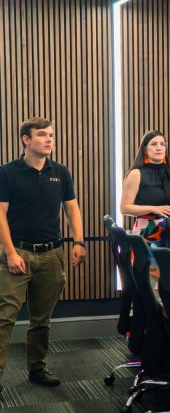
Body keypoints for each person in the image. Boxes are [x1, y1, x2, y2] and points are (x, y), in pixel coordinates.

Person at [0, 117, 87, 391]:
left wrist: (79, 241)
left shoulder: (60, 172)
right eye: (42, 135)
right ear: (26, 139)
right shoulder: (7, 172)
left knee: (41, 320)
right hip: (17, 253)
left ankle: (37, 369)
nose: (49, 139)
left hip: (51, 255)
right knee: (4, 318)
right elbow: (0, 215)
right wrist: (10, 253)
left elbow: (71, 208)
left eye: (51, 135)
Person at [121, 130, 170, 245]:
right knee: (151, 258)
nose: (159, 148)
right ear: (145, 150)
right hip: (148, 230)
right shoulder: (136, 174)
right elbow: (124, 208)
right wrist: (154, 209)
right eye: (153, 144)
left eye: (162, 144)